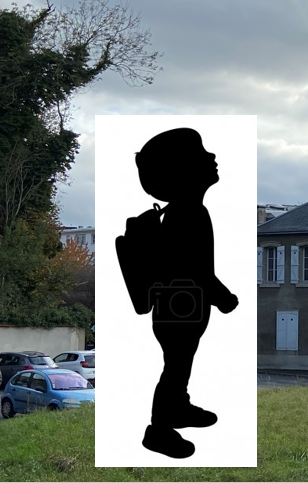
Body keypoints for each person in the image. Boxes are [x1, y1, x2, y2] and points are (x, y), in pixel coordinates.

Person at [130, 128, 239, 459]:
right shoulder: (187, 214)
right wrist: (223, 297)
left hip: (181, 306)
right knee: (175, 367)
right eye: (202, 154)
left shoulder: (187, 211)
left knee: (179, 364)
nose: (212, 157)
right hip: (179, 306)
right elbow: (194, 267)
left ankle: (178, 406)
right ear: (183, 171)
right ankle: (159, 430)